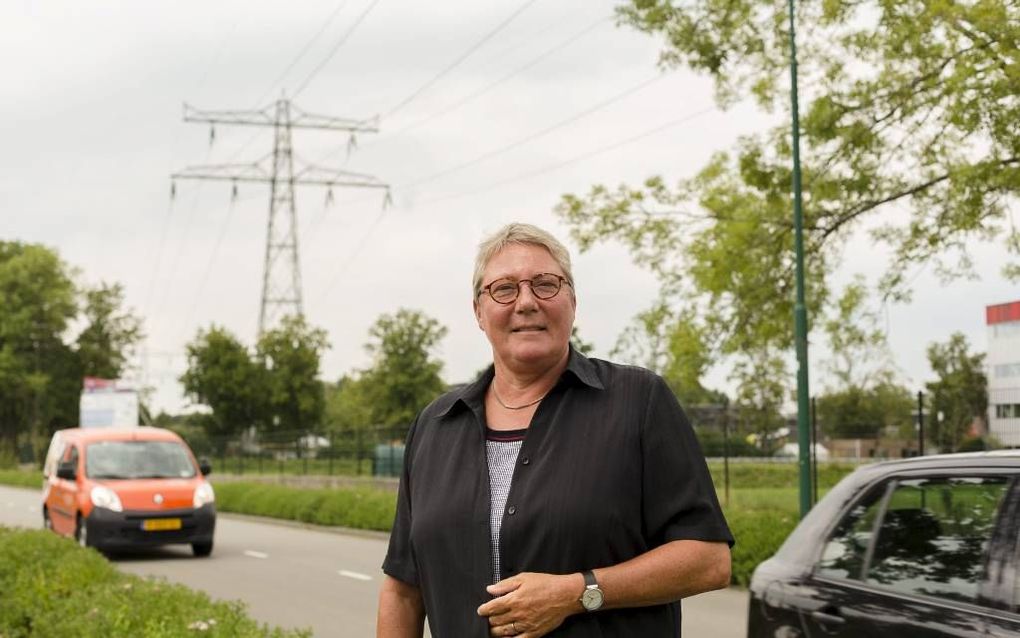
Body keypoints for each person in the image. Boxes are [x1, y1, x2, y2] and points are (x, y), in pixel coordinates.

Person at [377, 223, 733, 637]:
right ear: (478, 312)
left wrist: (579, 592)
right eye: (504, 289)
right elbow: (404, 586)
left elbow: (709, 560)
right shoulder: (435, 425)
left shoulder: (638, 401)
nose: (526, 302)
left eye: (545, 284)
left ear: (573, 302)